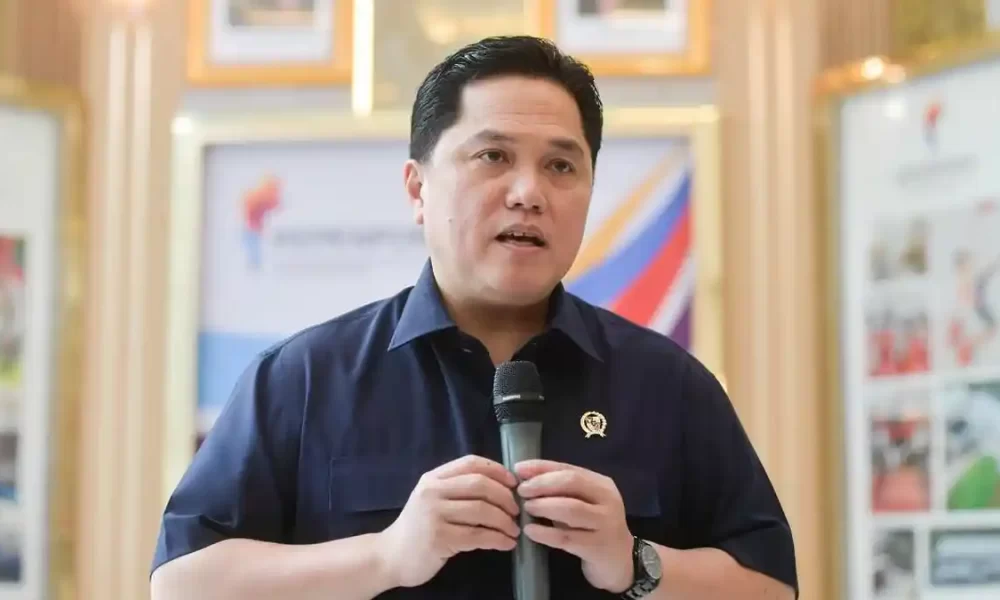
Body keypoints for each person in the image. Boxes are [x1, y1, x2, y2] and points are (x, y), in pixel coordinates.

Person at [150, 36, 797, 600]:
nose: (529, 192)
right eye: (493, 157)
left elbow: (771, 585)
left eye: (561, 165)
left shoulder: (666, 384)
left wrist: (634, 561)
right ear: (417, 189)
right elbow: (181, 583)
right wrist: (386, 556)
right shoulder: (305, 378)